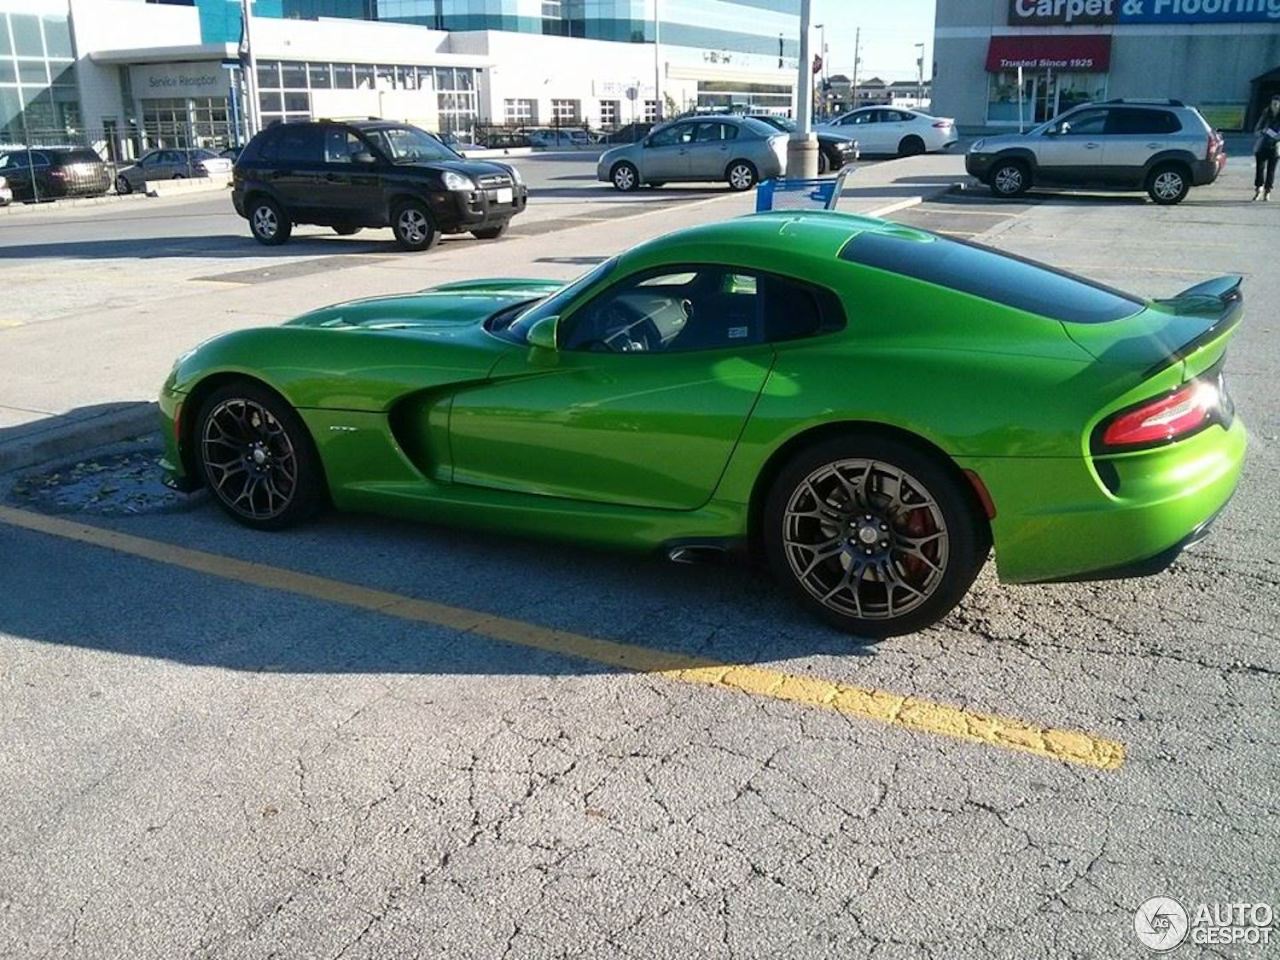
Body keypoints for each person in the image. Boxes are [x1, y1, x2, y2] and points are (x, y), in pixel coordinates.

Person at [1254, 95, 1280, 202]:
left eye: (1277, 103)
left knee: (1271, 170)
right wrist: (1262, 131)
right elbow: (1257, 130)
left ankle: (1267, 191)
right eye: (1273, 103)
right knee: (1259, 169)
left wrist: (1277, 136)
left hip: (1276, 145)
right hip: (1262, 144)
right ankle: (1258, 189)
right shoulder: (1266, 114)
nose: (1275, 105)